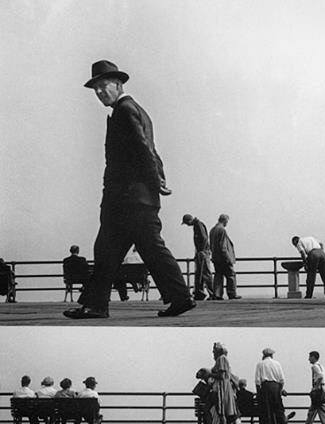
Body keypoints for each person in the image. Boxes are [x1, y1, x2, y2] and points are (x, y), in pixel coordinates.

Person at [63, 60, 193, 320]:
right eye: (96, 89)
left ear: (118, 84)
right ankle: (177, 297)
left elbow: (143, 148)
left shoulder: (125, 110)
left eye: (103, 86)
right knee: (114, 251)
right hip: (134, 199)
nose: (99, 92)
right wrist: (159, 179)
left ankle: (98, 305)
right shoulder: (136, 110)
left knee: (130, 250)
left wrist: (156, 181)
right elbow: (151, 150)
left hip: (128, 200)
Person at [294, 351, 325, 424]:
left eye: (310, 357)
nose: (308, 359)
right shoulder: (322, 367)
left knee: (315, 410)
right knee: (316, 410)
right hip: (323, 389)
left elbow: (320, 377)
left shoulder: (314, 367)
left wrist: (314, 388)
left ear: (313, 357)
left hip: (318, 390)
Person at [255, 348, 289, 424]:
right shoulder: (277, 364)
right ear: (272, 355)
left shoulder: (260, 364)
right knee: (278, 409)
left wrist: (258, 392)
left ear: (263, 355)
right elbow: (282, 379)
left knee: (265, 410)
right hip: (276, 387)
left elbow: (257, 381)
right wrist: (280, 390)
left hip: (265, 387)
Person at [210, 343, 242, 424]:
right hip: (222, 386)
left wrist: (209, 374)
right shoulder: (222, 359)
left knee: (221, 410)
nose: (213, 353)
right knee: (222, 410)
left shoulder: (222, 359)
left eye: (214, 351)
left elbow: (221, 375)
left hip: (222, 387)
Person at [181, 214, 215, 300]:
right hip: (201, 252)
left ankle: (212, 294)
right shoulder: (198, 225)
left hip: (202, 252)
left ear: (189, 221)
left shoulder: (198, 225)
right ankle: (199, 293)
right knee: (199, 273)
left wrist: (201, 251)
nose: (187, 225)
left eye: (186, 223)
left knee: (206, 273)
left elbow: (203, 238)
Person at [210, 214, 240, 300]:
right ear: (225, 221)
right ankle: (232, 293)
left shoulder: (212, 230)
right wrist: (228, 258)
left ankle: (217, 294)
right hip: (223, 258)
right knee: (231, 275)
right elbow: (223, 246)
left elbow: (212, 245)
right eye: (227, 221)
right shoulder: (222, 230)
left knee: (218, 276)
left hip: (216, 257)